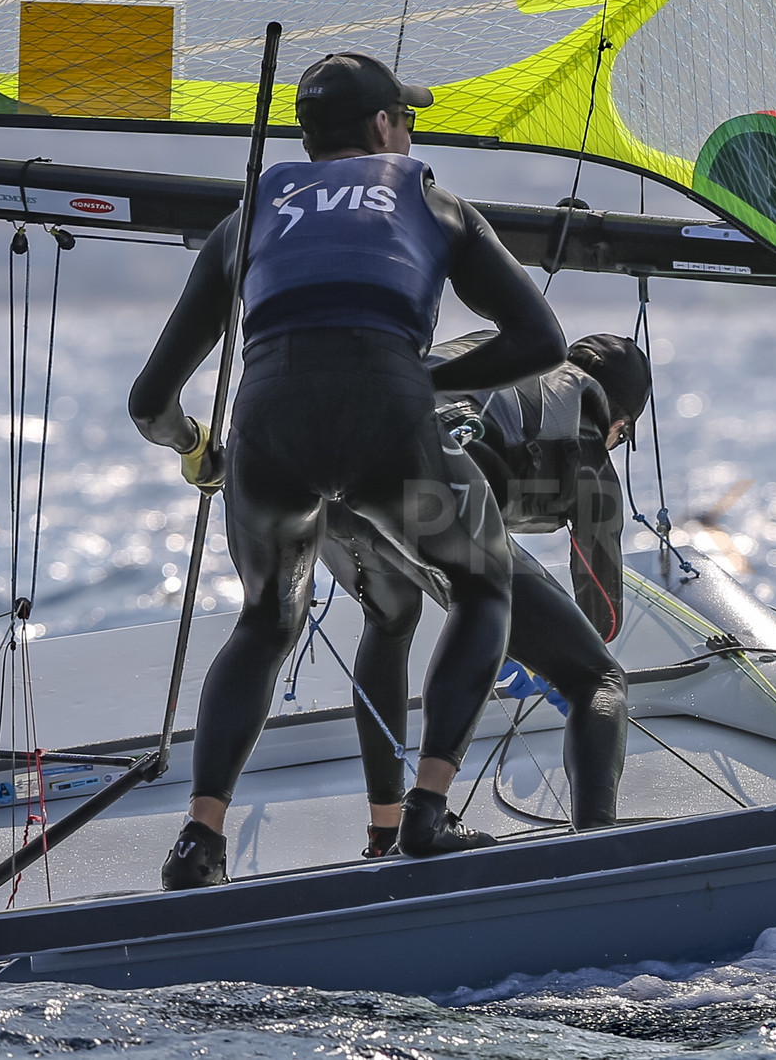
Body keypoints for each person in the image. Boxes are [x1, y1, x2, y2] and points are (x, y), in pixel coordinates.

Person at [128, 51, 566, 890]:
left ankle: (199, 839)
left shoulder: (248, 216)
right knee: (479, 583)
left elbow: (151, 399)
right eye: (408, 119)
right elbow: (540, 342)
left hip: (267, 425)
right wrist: (416, 376)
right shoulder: (431, 197)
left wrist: (194, 447)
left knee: (265, 620)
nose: (409, 134)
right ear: (381, 127)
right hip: (388, 426)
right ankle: (428, 815)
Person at [319, 332, 652, 852]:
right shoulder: (588, 440)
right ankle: (596, 845)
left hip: (327, 487)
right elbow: (600, 619)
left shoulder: (516, 361)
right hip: (422, 484)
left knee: (390, 621)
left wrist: (499, 631)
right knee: (600, 679)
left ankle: (384, 830)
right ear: (620, 424)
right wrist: (549, 659)